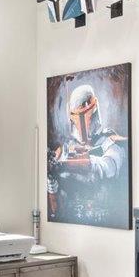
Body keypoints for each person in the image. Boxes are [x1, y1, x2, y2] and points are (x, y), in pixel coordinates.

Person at [48, 84, 127, 223]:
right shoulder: (65, 149)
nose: (82, 123)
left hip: (105, 220)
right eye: (77, 117)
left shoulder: (111, 141)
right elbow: (55, 206)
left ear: (94, 112)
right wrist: (51, 179)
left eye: (86, 116)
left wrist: (66, 165)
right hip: (73, 222)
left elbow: (107, 167)